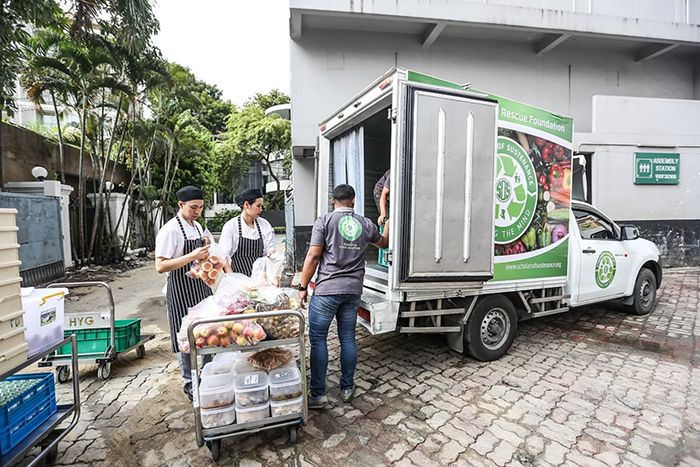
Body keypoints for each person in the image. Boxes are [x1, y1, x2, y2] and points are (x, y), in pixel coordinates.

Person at [298, 184, 390, 408]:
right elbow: (384, 243)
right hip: (353, 291)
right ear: (353, 201)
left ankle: (318, 394)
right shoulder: (365, 223)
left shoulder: (325, 222)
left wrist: (302, 286)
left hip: (327, 290)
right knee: (347, 338)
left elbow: (313, 256)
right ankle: (347, 387)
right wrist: (389, 222)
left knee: (318, 339)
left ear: (333, 202)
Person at [155, 185, 215, 401]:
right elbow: (160, 266)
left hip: (200, 286)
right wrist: (192, 255)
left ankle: (208, 374)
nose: (197, 211)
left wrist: (206, 250)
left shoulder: (197, 226)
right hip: (180, 289)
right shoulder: (170, 229)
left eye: (200, 207)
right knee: (186, 337)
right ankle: (190, 382)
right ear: (180, 205)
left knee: (209, 331)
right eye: (193, 207)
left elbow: (204, 249)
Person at [219, 188, 276, 276]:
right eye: (258, 206)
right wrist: (233, 279)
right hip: (239, 279)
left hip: (260, 279)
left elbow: (270, 247)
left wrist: (271, 253)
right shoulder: (231, 226)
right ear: (246, 205)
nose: (261, 209)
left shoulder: (264, 225)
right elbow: (222, 257)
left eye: (262, 206)